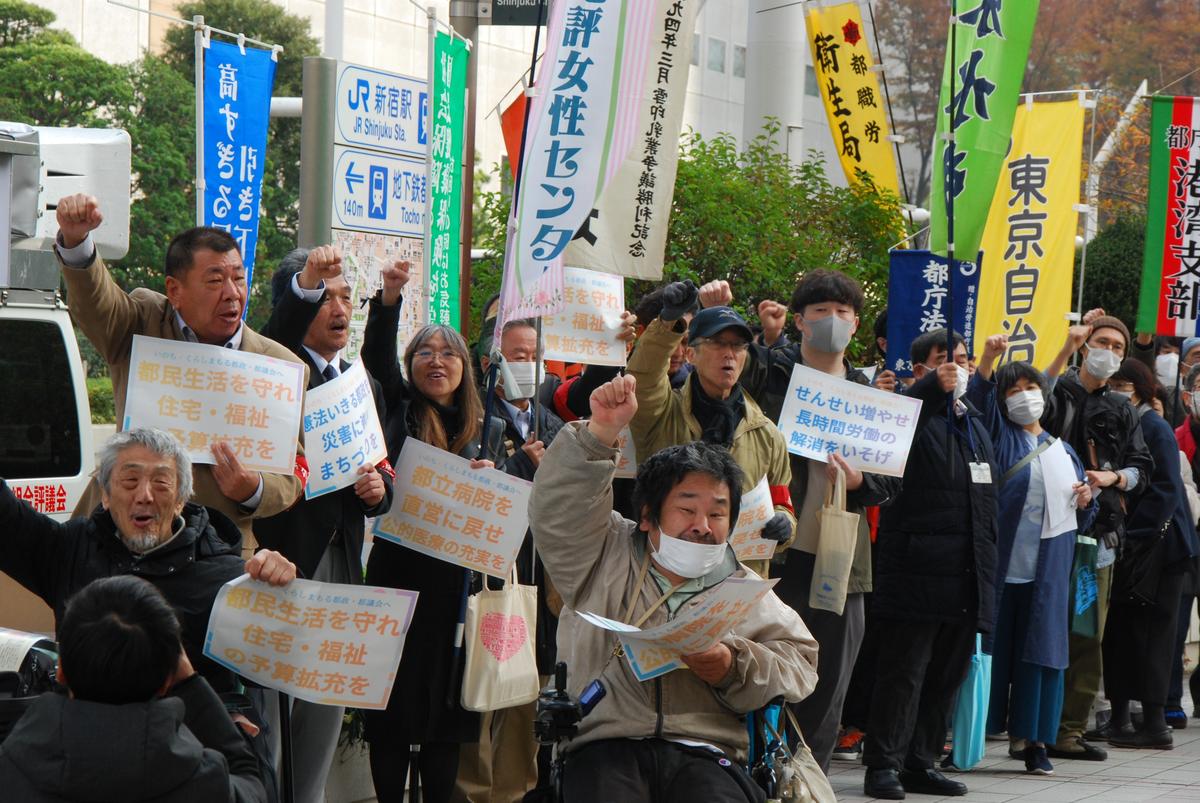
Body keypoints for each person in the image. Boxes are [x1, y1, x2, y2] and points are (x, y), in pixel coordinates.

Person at [529, 374, 819, 803]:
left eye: (717, 513)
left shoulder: (744, 587)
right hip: (605, 743)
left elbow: (800, 663)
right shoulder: (602, 554)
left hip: (707, 750)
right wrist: (601, 433)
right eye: (686, 508)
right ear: (648, 514)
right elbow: (559, 510)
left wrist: (732, 664)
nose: (702, 526)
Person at [52, 193, 307, 555]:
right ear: (175, 290)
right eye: (215, 281)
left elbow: (294, 471)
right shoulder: (140, 324)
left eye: (238, 278)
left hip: (218, 550)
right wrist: (77, 241)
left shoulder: (279, 366)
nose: (233, 294)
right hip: (120, 541)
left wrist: (252, 489)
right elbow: (97, 303)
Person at [358, 261, 507, 803]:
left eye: (448, 354)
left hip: (455, 587)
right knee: (391, 710)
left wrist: (496, 482)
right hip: (397, 577)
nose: (436, 362)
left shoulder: (488, 431)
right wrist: (391, 298)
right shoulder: (397, 408)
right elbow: (376, 356)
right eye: (424, 353)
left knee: (448, 712)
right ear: (410, 365)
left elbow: (504, 519)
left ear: (466, 367)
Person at [0, 427, 297, 695]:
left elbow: (284, 661)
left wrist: (283, 588)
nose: (144, 495)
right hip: (80, 740)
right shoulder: (70, 549)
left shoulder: (226, 578)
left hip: (180, 743)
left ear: (181, 500)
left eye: (161, 483)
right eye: (130, 481)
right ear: (105, 494)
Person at [253, 245, 395, 803]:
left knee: (324, 706)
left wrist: (378, 492)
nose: (340, 310)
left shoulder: (365, 386)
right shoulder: (275, 366)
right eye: (324, 298)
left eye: (345, 298)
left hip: (342, 560)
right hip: (285, 560)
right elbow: (278, 330)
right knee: (274, 710)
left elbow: (380, 468)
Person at [746, 271, 901, 772]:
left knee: (830, 672)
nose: (831, 321)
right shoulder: (774, 376)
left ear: (856, 324)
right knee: (766, 659)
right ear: (799, 322)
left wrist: (860, 484)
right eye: (819, 312)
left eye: (841, 313)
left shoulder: (868, 391)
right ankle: (756, 766)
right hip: (775, 547)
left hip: (842, 554)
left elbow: (891, 481)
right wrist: (765, 340)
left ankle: (809, 774)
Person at [862, 329, 998, 800]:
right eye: (945, 361)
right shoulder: (908, 415)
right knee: (904, 672)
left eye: (962, 360)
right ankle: (883, 763)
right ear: (918, 370)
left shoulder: (974, 426)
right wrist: (925, 393)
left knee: (947, 675)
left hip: (966, 573)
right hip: (917, 569)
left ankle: (922, 761)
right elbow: (898, 425)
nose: (956, 368)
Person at [0, 576, 266, 803]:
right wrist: (191, 683)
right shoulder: (203, 781)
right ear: (167, 680)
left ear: (61, 672)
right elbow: (249, 781)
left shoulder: (12, 767)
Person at [969, 335, 1096, 775]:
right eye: (1013, 391)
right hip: (999, 574)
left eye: (1031, 389)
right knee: (985, 657)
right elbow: (978, 397)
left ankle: (1036, 742)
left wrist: (1086, 498)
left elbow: (1086, 509)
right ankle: (968, 738)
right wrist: (988, 359)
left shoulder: (1064, 450)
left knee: (1041, 658)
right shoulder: (997, 439)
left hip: (1046, 576)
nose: (1024, 397)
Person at [453, 318, 566, 803]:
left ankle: (515, 793)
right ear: (489, 364)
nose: (526, 365)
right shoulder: (472, 424)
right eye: (516, 355)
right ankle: (472, 794)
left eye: (533, 356)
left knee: (525, 698)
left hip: (542, 581)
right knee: (482, 695)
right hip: (489, 579)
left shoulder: (556, 427)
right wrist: (518, 467)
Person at [627, 280, 795, 579]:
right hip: (665, 575)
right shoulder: (663, 412)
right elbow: (645, 374)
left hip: (737, 583)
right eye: (717, 344)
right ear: (691, 354)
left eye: (738, 346)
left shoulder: (768, 434)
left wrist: (784, 525)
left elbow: (782, 501)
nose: (729, 354)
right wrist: (668, 323)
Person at [1041, 313, 1153, 762]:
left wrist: (1112, 477)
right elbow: (1028, 403)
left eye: (1119, 347)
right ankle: (1029, 725)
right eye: (1102, 341)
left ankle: (1069, 730)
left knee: (1086, 632)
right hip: (1043, 530)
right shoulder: (1056, 390)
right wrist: (1066, 347)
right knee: (1040, 628)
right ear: (1086, 344)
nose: (1110, 351)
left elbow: (1142, 469)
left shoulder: (1123, 408)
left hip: (1098, 539)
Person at [1099, 359, 1200, 749]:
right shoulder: (1121, 422)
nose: (1117, 390)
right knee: (1122, 633)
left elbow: (1165, 490)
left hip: (1160, 550)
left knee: (1155, 636)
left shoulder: (1153, 426)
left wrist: (1132, 535)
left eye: (1123, 384)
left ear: (1140, 388)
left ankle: (1155, 723)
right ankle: (1124, 719)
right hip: (1136, 546)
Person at [1171, 362, 1200, 724]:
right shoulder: (1174, 439)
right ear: (1187, 395)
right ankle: (1169, 699)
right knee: (1174, 623)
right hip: (1183, 541)